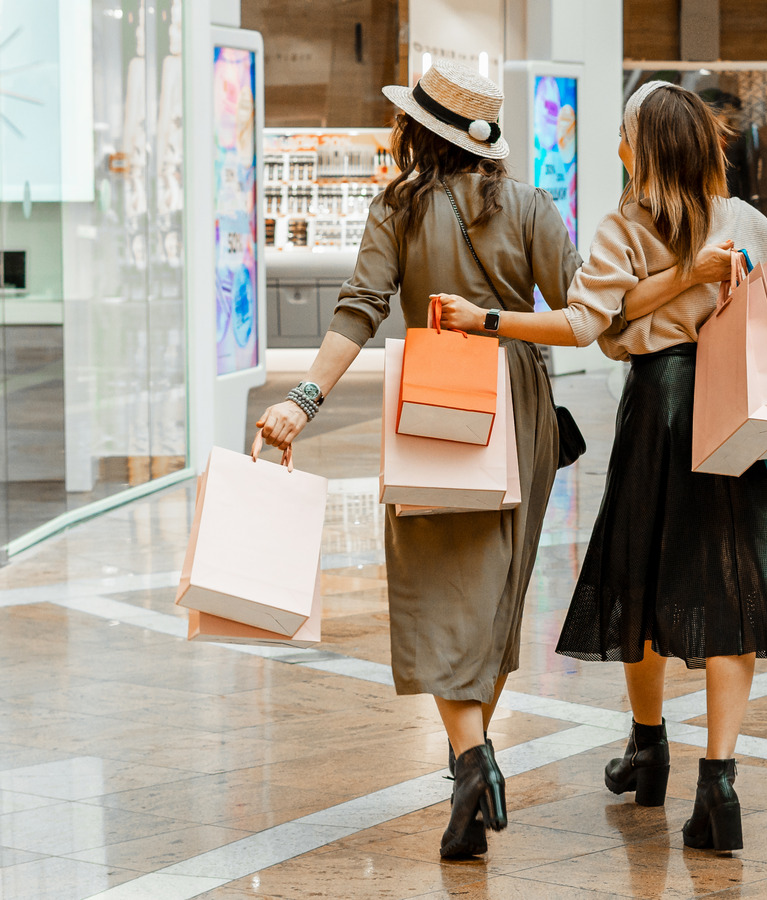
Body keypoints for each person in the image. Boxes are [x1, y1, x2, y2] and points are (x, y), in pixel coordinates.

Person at [431, 81, 767, 852]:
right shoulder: (741, 221)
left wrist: (487, 321)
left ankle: (648, 746)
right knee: (733, 588)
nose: (617, 148)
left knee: (644, 583)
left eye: (625, 136)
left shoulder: (623, 229)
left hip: (661, 409)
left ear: (645, 150)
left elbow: (588, 323)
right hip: (741, 405)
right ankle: (717, 784)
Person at [253, 62, 699, 861]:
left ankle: (471, 763)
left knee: (436, 590)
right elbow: (583, 314)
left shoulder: (397, 205)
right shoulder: (531, 206)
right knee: (495, 598)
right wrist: (686, 278)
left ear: (417, 133)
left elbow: (360, 310)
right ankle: (471, 761)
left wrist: (303, 403)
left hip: (433, 401)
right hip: (520, 408)